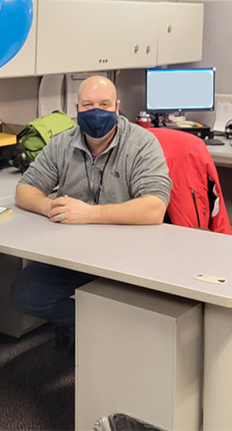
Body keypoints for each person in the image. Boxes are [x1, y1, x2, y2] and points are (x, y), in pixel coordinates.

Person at [10, 75, 172, 336]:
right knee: (24, 295)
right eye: (88, 105)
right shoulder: (62, 143)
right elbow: (24, 190)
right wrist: (49, 207)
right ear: (77, 109)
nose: (96, 112)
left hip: (129, 257)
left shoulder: (142, 144)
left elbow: (155, 208)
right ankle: (93, 325)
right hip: (75, 255)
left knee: (138, 306)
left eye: (105, 105)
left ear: (118, 108)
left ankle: (107, 335)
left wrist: (88, 213)